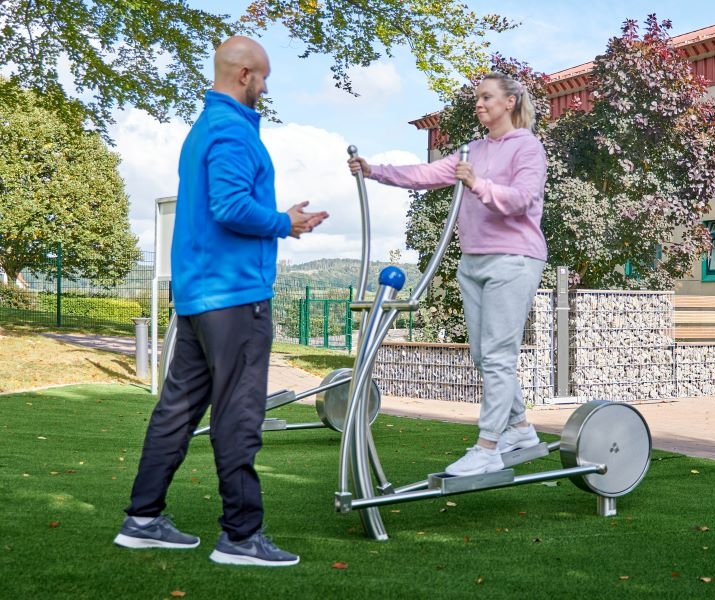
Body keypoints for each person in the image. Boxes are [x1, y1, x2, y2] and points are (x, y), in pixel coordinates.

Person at [113, 36, 328, 567]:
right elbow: (230, 206)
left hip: (199, 296)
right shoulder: (232, 129)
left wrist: (277, 217)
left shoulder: (204, 129)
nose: (265, 87)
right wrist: (284, 223)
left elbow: (221, 206)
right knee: (238, 413)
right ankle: (240, 537)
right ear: (244, 76)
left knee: (177, 409)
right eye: (264, 78)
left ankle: (142, 520)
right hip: (235, 299)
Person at [348, 72, 547, 477]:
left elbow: (522, 201)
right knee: (482, 354)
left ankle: (488, 446)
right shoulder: (470, 150)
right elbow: (423, 175)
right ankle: (522, 429)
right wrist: (373, 170)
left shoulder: (527, 148)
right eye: (477, 98)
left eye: (487, 97)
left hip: (514, 258)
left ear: (509, 102)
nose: (479, 103)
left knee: (497, 357)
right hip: (473, 260)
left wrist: (478, 184)